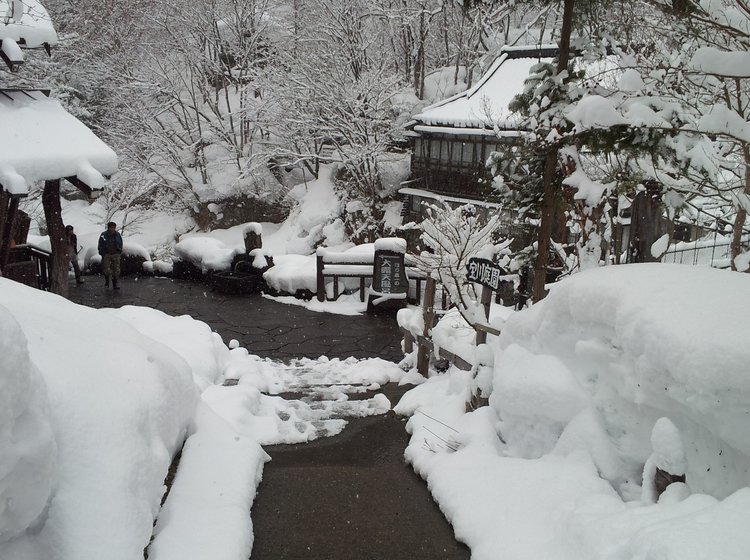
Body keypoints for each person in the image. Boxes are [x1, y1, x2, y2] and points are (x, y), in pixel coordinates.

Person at [98, 222, 123, 289]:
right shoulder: (104, 235)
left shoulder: (117, 234)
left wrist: (119, 251)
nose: (112, 229)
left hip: (115, 253)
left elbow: (120, 242)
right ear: (108, 228)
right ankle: (107, 281)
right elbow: (100, 244)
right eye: (111, 227)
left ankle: (115, 283)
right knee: (106, 269)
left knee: (116, 269)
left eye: (113, 227)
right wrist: (102, 252)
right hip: (107, 254)